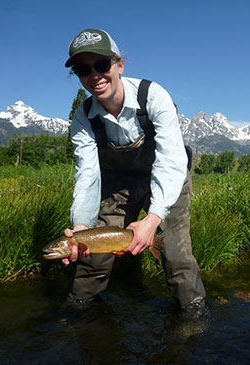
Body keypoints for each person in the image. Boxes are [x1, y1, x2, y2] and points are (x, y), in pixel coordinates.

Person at [63, 28, 206, 317]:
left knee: (176, 257)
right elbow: (88, 175)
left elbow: (170, 160)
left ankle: (193, 319)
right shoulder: (83, 116)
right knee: (93, 260)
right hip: (119, 185)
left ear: (119, 65)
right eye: (83, 69)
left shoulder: (153, 96)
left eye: (102, 65)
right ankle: (77, 315)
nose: (94, 76)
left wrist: (152, 219)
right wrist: (81, 227)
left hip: (167, 179)